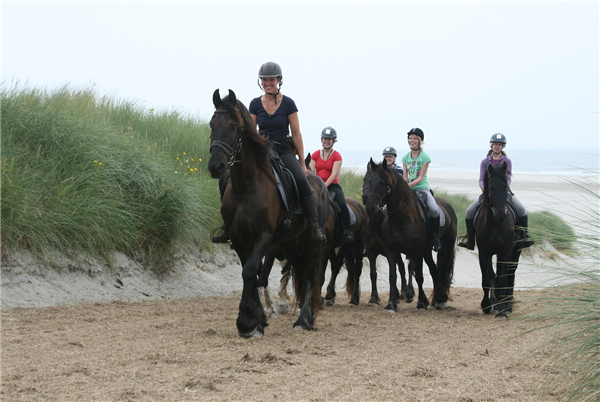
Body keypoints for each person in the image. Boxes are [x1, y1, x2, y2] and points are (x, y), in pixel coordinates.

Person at [457, 133, 534, 250]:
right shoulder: (485, 162)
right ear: (491, 145)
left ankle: (524, 236)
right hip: (488, 193)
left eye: (499, 144)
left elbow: (508, 179)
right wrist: (483, 188)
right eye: (495, 144)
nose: (497, 146)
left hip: (503, 192)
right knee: (469, 212)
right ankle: (470, 239)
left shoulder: (506, 161)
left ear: (502, 146)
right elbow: (481, 179)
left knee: (521, 210)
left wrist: (504, 187)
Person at [309, 126, 354, 244]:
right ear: (321, 140)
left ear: (333, 141)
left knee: (342, 205)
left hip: (332, 186)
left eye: (329, 139)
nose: (326, 141)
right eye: (325, 139)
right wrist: (316, 185)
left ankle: (346, 231)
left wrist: (323, 186)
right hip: (317, 186)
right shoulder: (315, 155)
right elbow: (310, 170)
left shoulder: (337, 156)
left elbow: (334, 174)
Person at [401, 127, 441, 251]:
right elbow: (405, 176)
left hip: (422, 188)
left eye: (414, 138)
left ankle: (435, 238)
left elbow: (420, 177)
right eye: (410, 138)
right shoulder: (405, 157)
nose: (411, 140)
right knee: (387, 208)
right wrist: (403, 187)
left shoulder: (425, 157)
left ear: (419, 141)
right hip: (408, 189)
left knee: (434, 210)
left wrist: (407, 186)